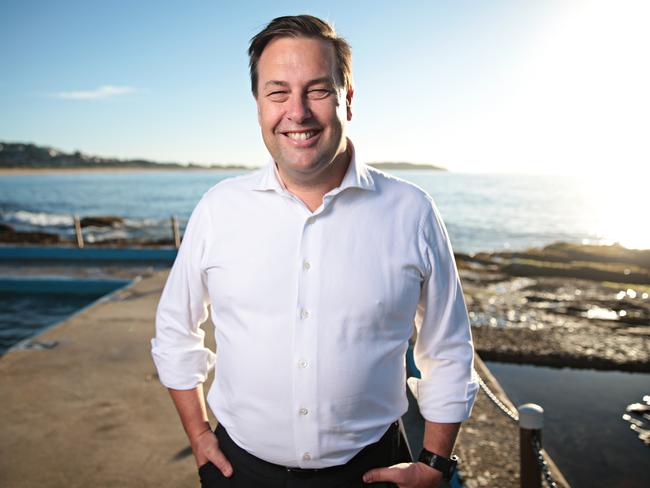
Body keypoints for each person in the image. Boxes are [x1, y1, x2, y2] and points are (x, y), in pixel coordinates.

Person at [151, 14, 478, 488]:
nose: (297, 112)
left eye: (318, 90)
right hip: (238, 470)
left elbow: (447, 347)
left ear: (347, 98)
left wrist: (436, 462)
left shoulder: (411, 210)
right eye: (277, 92)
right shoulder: (219, 208)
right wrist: (198, 433)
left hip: (373, 472)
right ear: (259, 104)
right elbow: (174, 329)